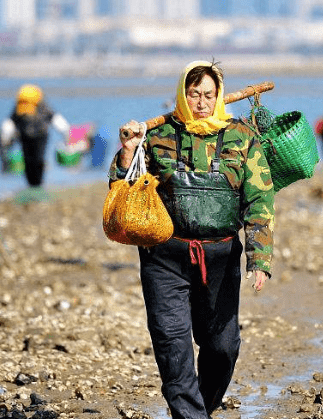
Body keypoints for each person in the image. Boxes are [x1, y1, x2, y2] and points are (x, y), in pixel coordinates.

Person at [110, 60, 274, 419]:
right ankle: (190, 415)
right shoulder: (156, 135)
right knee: (172, 342)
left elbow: (260, 201)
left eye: (208, 94)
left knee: (222, 348)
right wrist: (128, 149)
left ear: (218, 97)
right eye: (194, 93)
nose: (201, 101)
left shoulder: (241, 136)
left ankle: (202, 406)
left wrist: (259, 259)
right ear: (182, 94)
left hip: (220, 258)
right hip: (164, 259)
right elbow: (121, 188)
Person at [0, 84, 71, 187]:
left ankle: (38, 183)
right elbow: (10, 122)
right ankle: (31, 184)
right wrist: (5, 136)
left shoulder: (43, 107)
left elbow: (55, 118)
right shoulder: (19, 107)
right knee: (28, 161)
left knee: (38, 159)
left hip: (40, 136)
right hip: (24, 137)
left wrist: (66, 131)